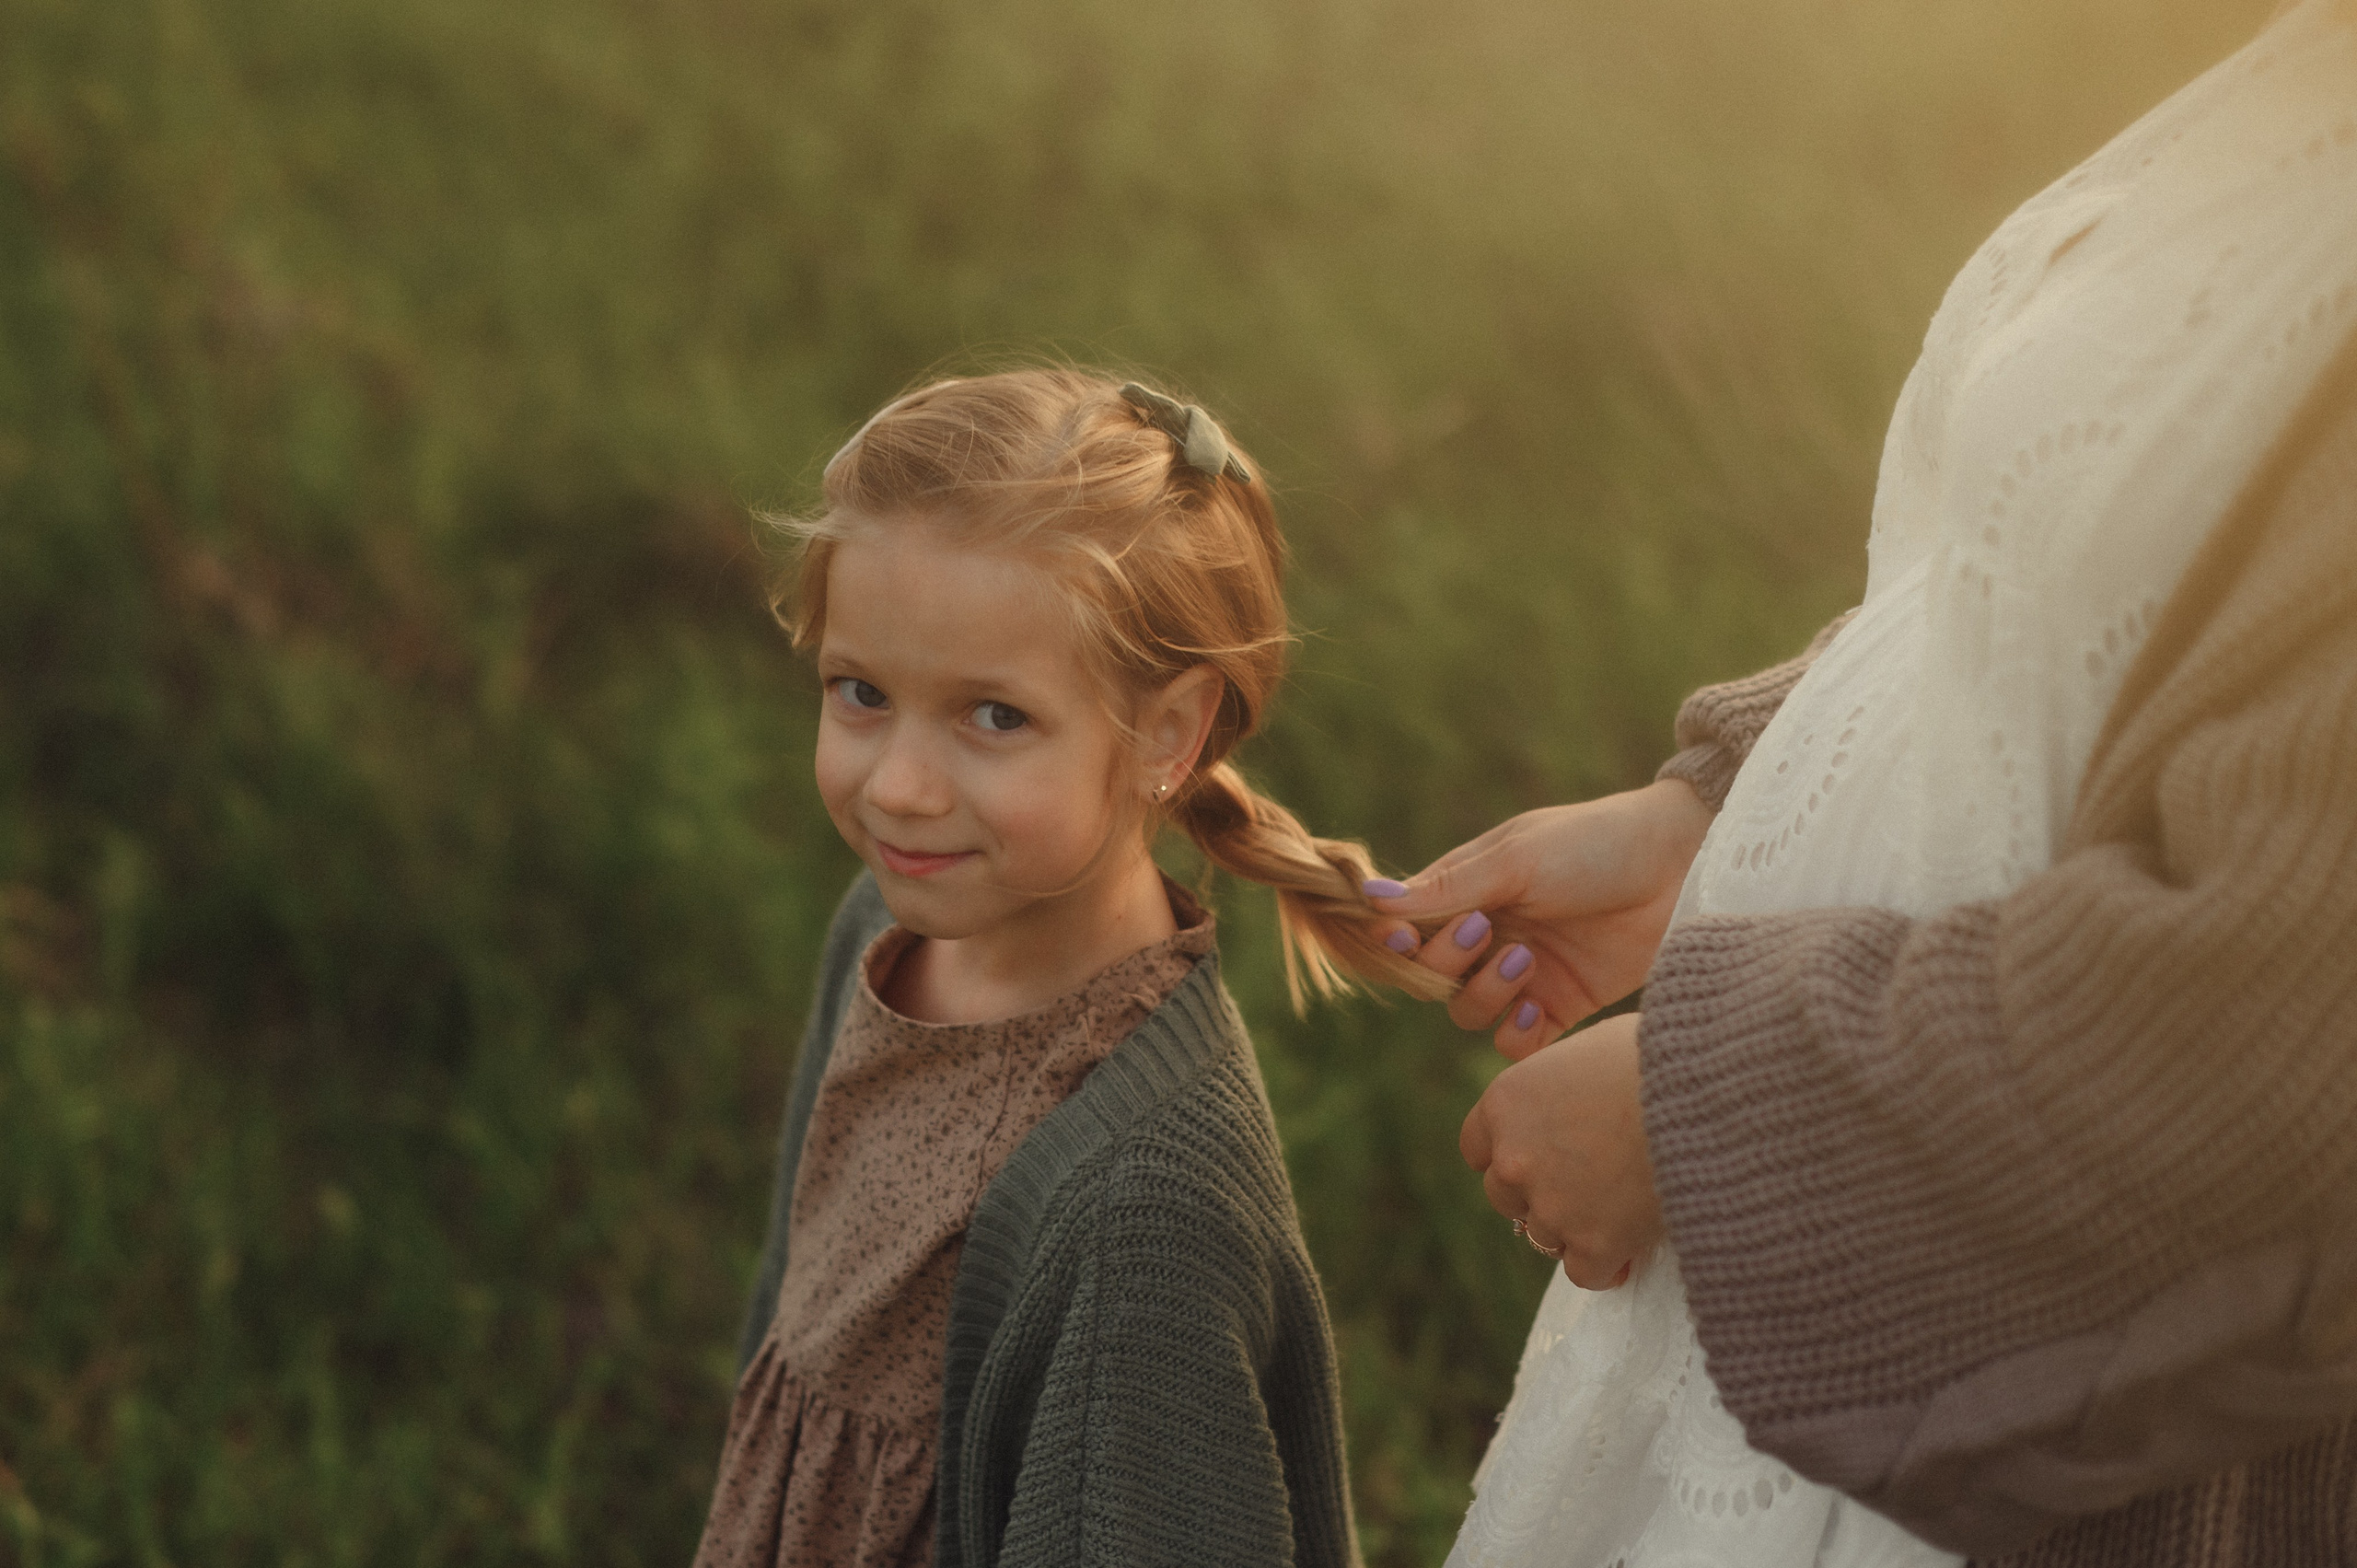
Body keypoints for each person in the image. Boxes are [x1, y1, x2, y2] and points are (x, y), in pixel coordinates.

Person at [1365, 1, 2357, 1563]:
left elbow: (2282, 1040)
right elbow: (2047, 590)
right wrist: (1715, 809)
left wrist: (1696, 1115)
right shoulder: (2296, 85)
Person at [695, 367, 1446, 1568]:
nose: (897, 784)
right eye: (860, 694)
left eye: (993, 717)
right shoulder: (882, 935)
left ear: (1168, 733)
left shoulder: (1146, 1207)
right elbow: (800, 1325)